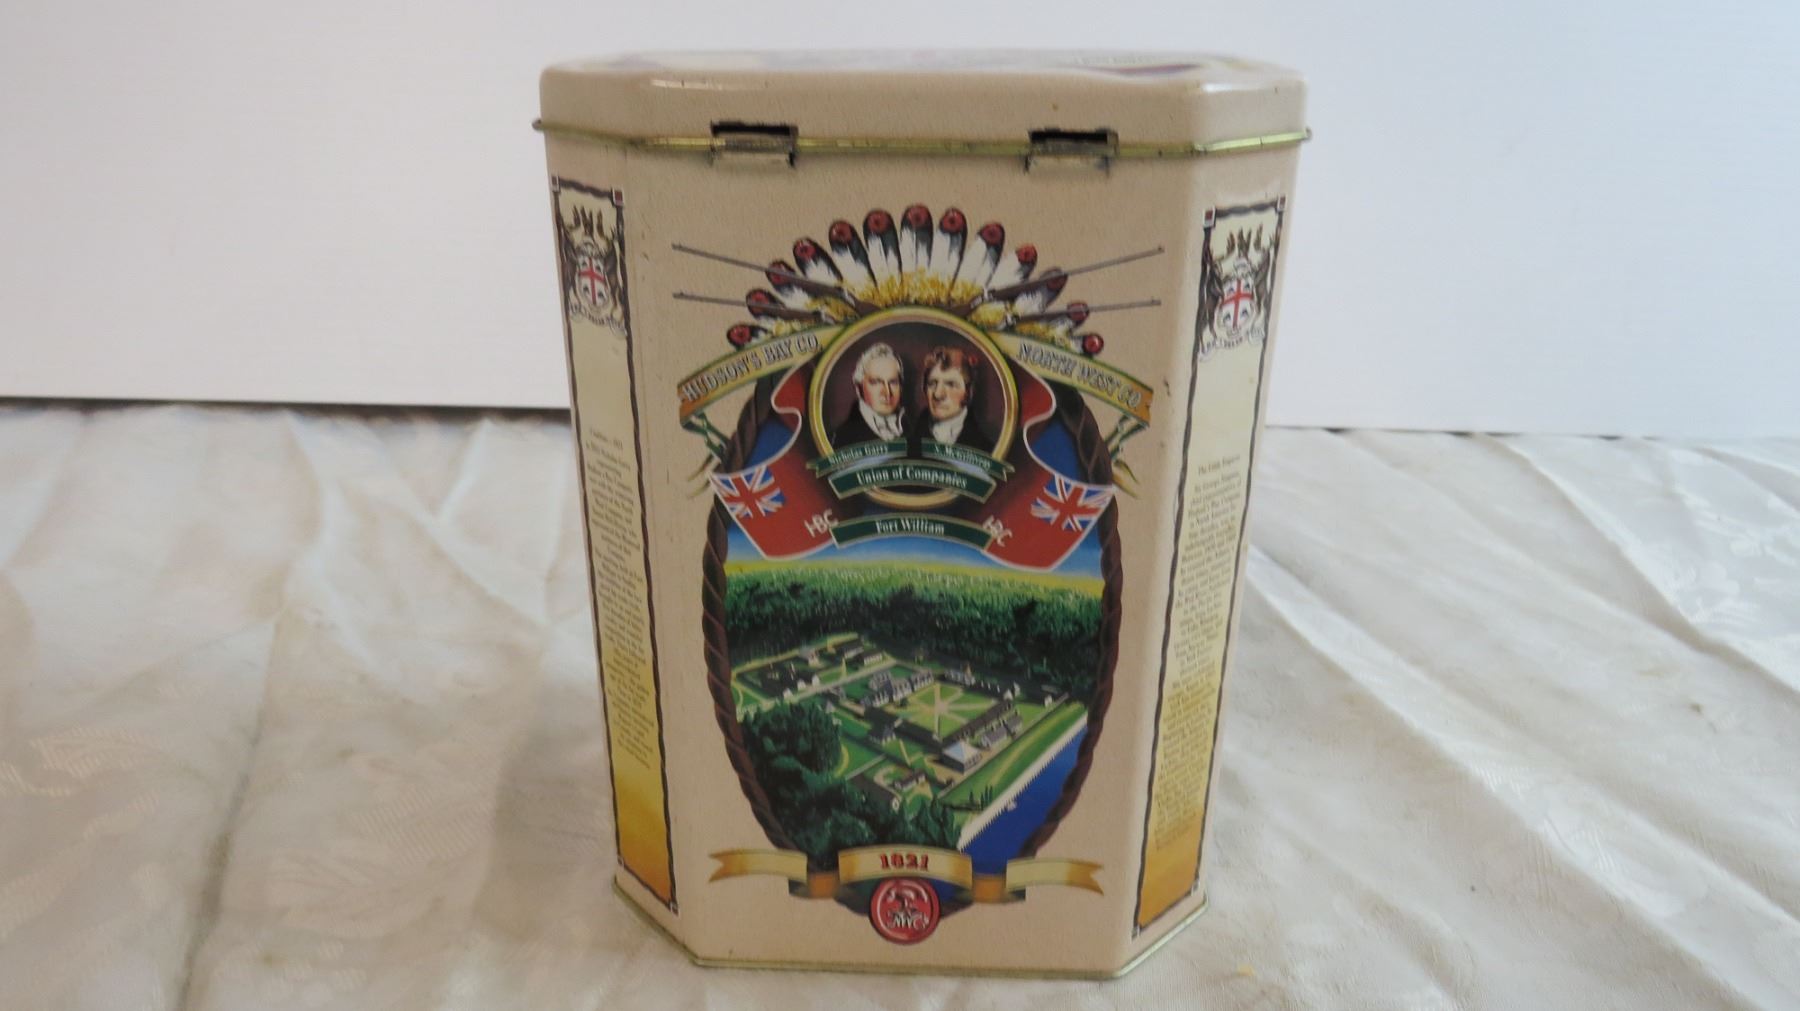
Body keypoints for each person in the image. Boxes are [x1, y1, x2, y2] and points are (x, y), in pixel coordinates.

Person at [909, 345, 994, 454]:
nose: (938, 394)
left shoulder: (986, 447)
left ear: (968, 392)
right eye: (932, 383)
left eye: (951, 384)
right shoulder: (909, 439)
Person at [831, 342, 909, 448]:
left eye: (893, 382)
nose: (887, 392)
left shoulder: (910, 428)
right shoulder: (842, 437)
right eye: (876, 382)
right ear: (859, 388)